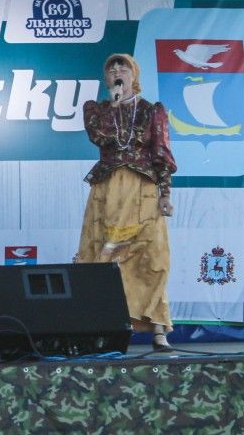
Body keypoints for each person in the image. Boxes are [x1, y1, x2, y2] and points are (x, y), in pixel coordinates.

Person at [77, 53, 177, 352]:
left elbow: (161, 152)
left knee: (152, 257)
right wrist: (115, 104)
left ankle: (158, 329)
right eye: (112, 68)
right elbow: (98, 136)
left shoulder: (151, 110)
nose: (117, 71)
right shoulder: (96, 109)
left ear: (134, 75)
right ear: (106, 78)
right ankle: (104, 327)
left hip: (142, 189)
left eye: (123, 67)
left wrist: (165, 193)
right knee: (105, 256)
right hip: (108, 190)